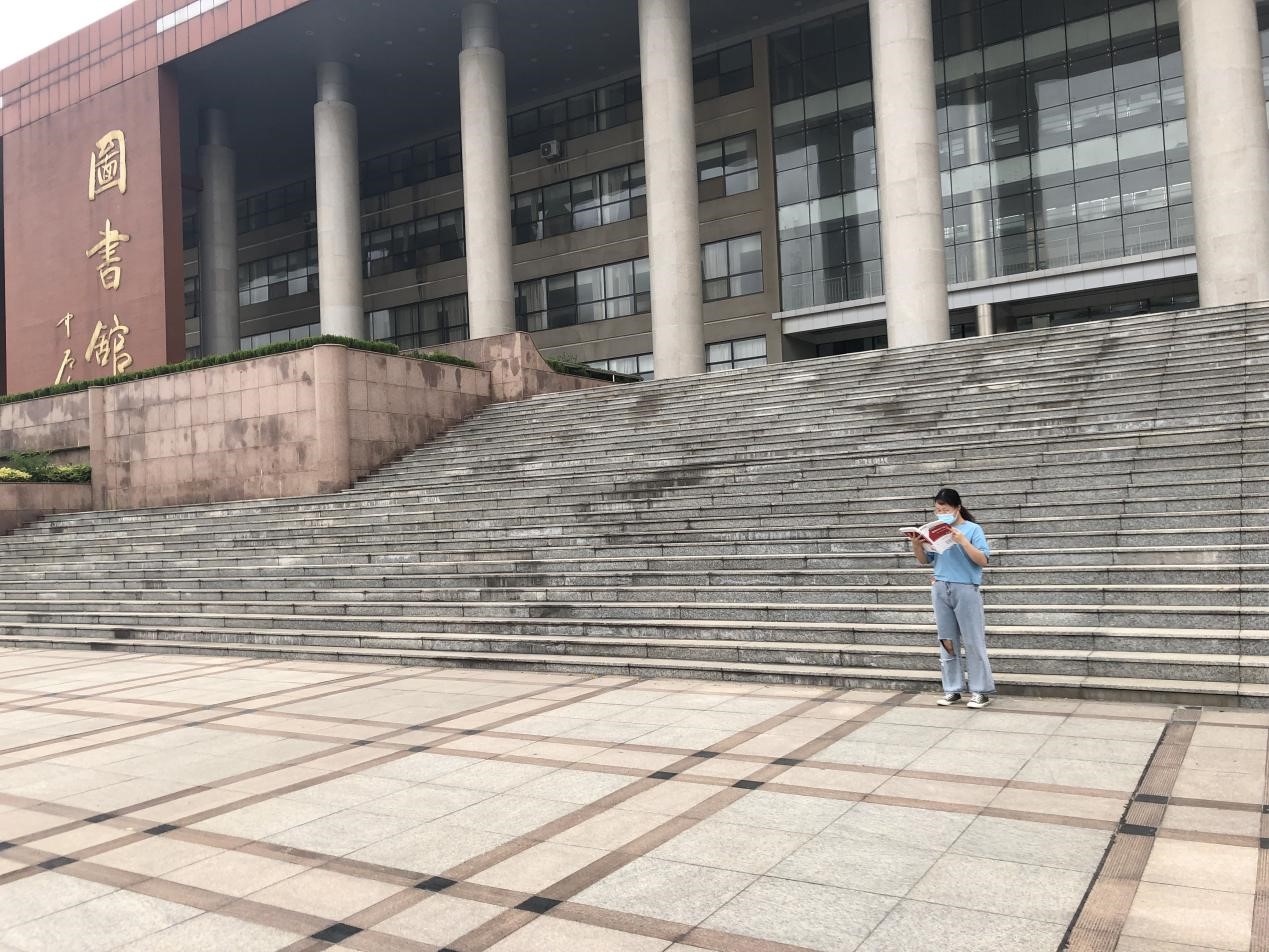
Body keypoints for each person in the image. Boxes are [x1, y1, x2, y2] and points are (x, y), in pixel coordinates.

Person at [904, 488, 996, 709]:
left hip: (965, 588)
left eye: (945, 509)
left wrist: (963, 541)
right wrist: (917, 544)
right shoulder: (935, 531)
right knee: (946, 640)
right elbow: (924, 560)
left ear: (957, 508)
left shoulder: (972, 529)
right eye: (938, 510)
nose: (941, 513)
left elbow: (983, 560)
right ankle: (952, 689)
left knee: (973, 640)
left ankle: (980, 691)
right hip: (940, 587)